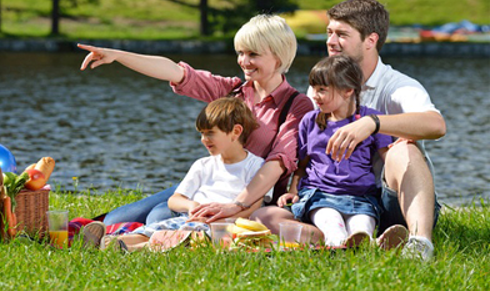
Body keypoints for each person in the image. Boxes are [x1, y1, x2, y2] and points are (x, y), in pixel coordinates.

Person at [252, 0, 446, 260]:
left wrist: (372, 123)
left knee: (404, 149)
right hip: (329, 197)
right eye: (329, 32)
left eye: (342, 34)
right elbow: (308, 150)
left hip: (393, 203)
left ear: (370, 40)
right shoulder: (322, 88)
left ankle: (420, 243)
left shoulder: (398, 85)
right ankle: (337, 239)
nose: (331, 41)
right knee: (266, 216)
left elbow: (436, 125)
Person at [79, 14, 314, 226]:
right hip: (211, 183)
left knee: (158, 216)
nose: (244, 61)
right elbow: (176, 72)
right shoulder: (232, 91)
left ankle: (143, 238)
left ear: (278, 57)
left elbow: (278, 164)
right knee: (114, 220)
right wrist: (118, 55)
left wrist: (237, 205)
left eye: (253, 54)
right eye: (241, 53)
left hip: (250, 195)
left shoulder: (296, 105)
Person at [86, 97, 265, 251]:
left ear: (236, 132)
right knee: (154, 231)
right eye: (202, 134)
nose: (204, 140)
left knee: (183, 237)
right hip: (190, 218)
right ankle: (109, 242)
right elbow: (174, 199)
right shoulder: (203, 164)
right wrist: (190, 205)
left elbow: (255, 205)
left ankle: (128, 248)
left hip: (222, 226)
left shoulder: (256, 165)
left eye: (210, 133)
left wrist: (225, 220)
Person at [276, 55, 402, 248]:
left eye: (322, 91)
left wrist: (403, 147)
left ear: (348, 91)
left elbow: (389, 157)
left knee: (361, 227)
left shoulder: (370, 120)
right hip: (321, 196)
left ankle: (367, 242)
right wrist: (293, 192)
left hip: (361, 198)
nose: (314, 96)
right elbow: (302, 166)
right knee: (332, 223)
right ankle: (352, 244)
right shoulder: (310, 121)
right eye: (314, 89)